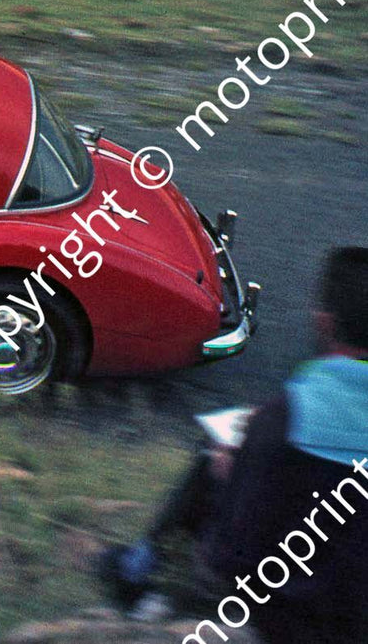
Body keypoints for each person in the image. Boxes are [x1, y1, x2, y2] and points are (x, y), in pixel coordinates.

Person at [100, 247, 368, 641]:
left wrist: (233, 474)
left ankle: (138, 566)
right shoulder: (283, 417)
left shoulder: (285, 418)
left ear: (324, 322)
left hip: (285, 618)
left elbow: (232, 557)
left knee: (215, 452)